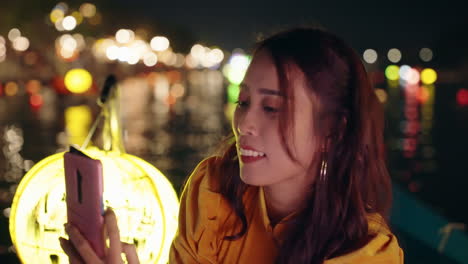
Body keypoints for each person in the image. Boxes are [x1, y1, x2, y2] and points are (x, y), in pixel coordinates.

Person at [61, 27, 404, 263]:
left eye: (271, 108)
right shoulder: (213, 189)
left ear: (333, 131)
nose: (244, 124)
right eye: (243, 102)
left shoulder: (366, 250)